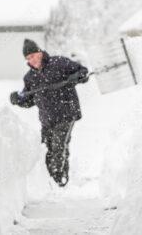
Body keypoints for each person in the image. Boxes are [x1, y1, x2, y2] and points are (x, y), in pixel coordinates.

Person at [10, 39, 89, 187]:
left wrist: (77, 77)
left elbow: (83, 72)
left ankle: (59, 179)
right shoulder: (30, 78)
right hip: (47, 119)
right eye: (27, 58)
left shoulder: (59, 63)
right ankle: (51, 182)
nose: (31, 60)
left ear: (39, 52)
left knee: (59, 146)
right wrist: (17, 100)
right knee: (47, 149)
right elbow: (29, 100)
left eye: (32, 56)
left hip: (66, 112)